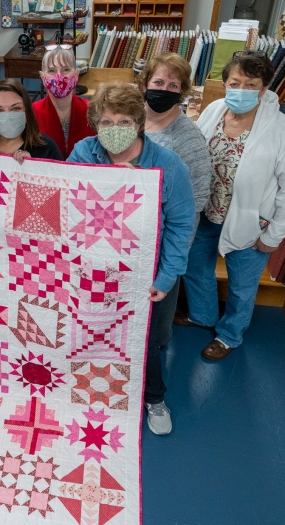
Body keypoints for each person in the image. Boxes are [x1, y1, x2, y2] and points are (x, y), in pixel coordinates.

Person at [68, 81, 195, 436]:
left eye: (123, 122)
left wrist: (166, 278)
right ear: (95, 124)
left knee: (144, 340)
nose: (114, 130)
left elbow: (181, 226)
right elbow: (64, 201)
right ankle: (87, 391)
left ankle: (154, 398)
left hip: (143, 275)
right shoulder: (84, 152)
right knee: (89, 333)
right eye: (106, 122)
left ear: (139, 123)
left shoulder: (168, 165)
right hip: (92, 270)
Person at [175, 51, 285, 361]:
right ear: (224, 84)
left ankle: (229, 335)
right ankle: (203, 316)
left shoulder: (282, 131)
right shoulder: (213, 110)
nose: (242, 90)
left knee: (241, 287)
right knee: (196, 269)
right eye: (235, 82)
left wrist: (273, 235)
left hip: (251, 224)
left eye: (251, 84)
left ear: (264, 89)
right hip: (208, 213)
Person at [137, 51, 212, 349]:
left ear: (183, 93)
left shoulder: (189, 139)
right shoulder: (130, 121)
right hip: (122, 241)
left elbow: (194, 205)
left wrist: (172, 262)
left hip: (160, 249)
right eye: (158, 82)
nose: (163, 90)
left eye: (173, 86)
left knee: (155, 333)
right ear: (144, 83)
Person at [0, 79, 63, 162]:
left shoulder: (46, 149)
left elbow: (63, 185)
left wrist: (33, 167)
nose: (7, 116)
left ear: (27, 113)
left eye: (15, 108)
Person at [32, 45, 94, 159]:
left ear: (76, 75)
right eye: (52, 70)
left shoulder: (92, 111)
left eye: (66, 70)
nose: (59, 76)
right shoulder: (31, 113)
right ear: (42, 76)